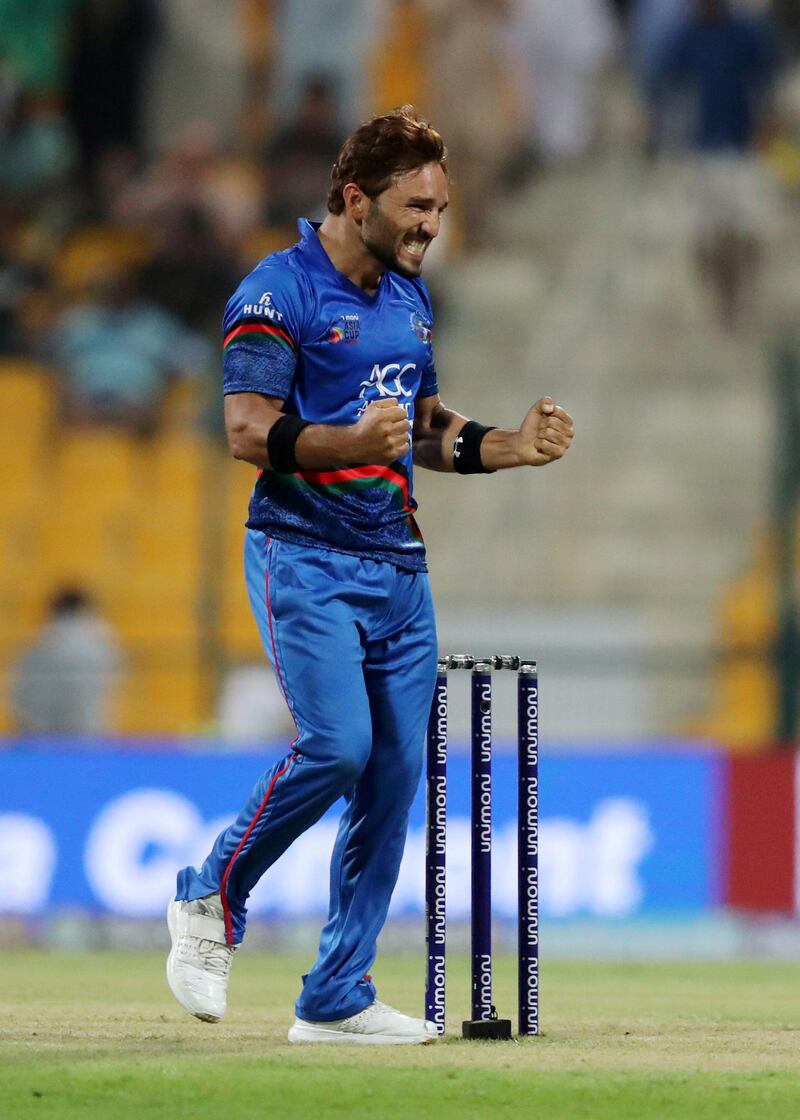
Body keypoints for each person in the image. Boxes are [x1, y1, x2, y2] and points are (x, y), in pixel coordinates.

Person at [166, 107, 574, 1044]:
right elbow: (242, 431)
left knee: (393, 774)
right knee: (339, 747)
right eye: (417, 206)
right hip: (301, 555)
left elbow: (422, 424)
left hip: (397, 564)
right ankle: (208, 893)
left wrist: (506, 446)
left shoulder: (409, 297)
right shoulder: (278, 292)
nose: (434, 223)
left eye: (442, 205)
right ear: (357, 199)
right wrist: (351, 439)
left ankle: (336, 994)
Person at [11, 587, 124, 734]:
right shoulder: (104, 640)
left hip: (45, 734)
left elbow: (21, 691)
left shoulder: (42, 639)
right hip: (89, 731)